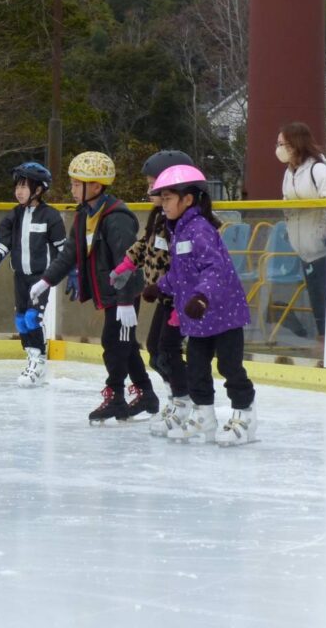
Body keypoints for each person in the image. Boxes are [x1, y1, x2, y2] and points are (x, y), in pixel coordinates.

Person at [30, 151, 158, 423]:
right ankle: (146, 394)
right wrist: (46, 280)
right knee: (126, 345)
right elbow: (70, 253)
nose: (73, 189)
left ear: (96, 186)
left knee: (115, 344)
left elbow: (129, 261)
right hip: (111, 294)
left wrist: (125, 301)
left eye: (78, 184)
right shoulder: (86, 214)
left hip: (124, 295)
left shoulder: (116, 218)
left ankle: (115, 396)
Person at [150, 164, 257, 446]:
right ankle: (204, 416)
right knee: (196, 367)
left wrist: (201, 297)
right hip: (198, 318)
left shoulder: (200, 229)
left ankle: (245, 417)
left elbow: (214, 268)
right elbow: (180, 272)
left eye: (168, 199)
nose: (163, 205)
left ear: (188, 199)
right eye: (162, 199)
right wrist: (159, 287)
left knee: (230, 367)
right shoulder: (179, 230)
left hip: (223, 314)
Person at [109, 150, 193, 436]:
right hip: (163, 295)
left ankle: (185, 401)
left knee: (167, 352)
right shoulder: (159, 216)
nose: (149, 189)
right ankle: (177, 398)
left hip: (180, 297)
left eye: (153, 183)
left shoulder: (184, 222)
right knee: (155, 351)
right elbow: (145, 246)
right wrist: (126, 265)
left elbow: (186, 264)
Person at [0, 161, 66, 388]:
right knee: (21, 320)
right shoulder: (13, 216)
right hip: (20, 277)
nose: (19, 191)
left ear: (39, 189)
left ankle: (40, 362)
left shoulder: (50, 216)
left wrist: (71, 272)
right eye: (17, 186)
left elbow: (63, 249)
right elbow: (3, 243)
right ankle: (32, 356)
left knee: (34, 317)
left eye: (25, 186)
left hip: (40, 278)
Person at [278, 122, 326, 341]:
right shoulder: (290, 172)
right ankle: (322, 339)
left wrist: (324, 234)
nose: (278, 148)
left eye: (282, 144)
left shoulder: (318, 169)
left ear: (295, 144)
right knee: (316, 298)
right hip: (304, 248)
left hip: (322, 247)